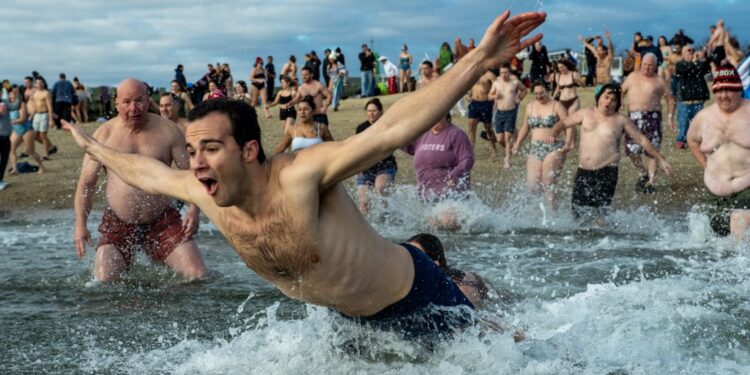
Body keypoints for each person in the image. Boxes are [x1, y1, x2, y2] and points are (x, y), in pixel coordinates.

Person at [64, 10, 545, 335]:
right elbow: (146, 173)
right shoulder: (204, 190)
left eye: (211, 148)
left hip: (416, 298)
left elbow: (392, 130)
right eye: (192, 150)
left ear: (250, 149)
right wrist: (93, 147)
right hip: (350, 320)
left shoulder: (299, 175)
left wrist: (477, 59)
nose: (196, 162)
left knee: (512, 353)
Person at [72, 79, 207, 282]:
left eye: (139, 101)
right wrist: (80, 225)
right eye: (127, 102)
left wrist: (194, 211)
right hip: (118, 222)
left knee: (198, 276)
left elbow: (192, 174)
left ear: (148, 101)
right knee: (104, 282)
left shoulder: (168, 130)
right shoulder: (104, 134)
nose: (134, 108)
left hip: (162, 220)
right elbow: (86, 184)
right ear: (117, 103)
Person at [548, 83, 673, 217]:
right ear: (599, 97)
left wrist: (661, 159)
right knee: (577, 213)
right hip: (583, 172)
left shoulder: (621, 120)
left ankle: (604, 237)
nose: (609, 102)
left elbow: (642, 139)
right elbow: (563, 123)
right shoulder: (585, 113)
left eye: (613, 99)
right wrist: (553, 134)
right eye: (606, 97)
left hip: (607, 172)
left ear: (618, 103)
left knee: (599, 214)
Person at [687, 64, 750, 239]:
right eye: (719, 91)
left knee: (739, 228)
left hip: (746, 187)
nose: (724, 96)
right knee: (710, 241)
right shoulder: (703, 117)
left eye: (729, 90)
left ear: (739, 89)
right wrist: (706, 166)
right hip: (714, 192)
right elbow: (692, 140)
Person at [512, 81, 572, 210]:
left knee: (548, 183)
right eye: (536, 94)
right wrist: (517, 143)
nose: (539, 96)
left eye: (542, 93)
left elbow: (569, 125)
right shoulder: (530, 106)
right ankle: (537, 216)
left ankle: (552, 215)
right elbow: (525, 127)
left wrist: (568, 142)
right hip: (535, 147)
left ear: (547, 91)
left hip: (554, 147)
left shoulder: (557, 106)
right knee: (533, 186)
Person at [621, 53, 675, 193]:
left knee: (653, 150)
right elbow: (620, 91)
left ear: (655, 66)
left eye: (650, 65)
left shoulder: (660, 81)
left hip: (653, 117)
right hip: (633, 117)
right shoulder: (632, 76)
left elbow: (670, 100)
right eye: (644, 64)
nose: (646, 68)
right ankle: (642, 174)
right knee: (631, 150)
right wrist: (620, 102)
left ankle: (651, 182)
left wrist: (670, 117)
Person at [403, 114, 474, 201]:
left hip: (452, 194)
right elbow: (409, 148)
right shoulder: (422, 134)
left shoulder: (456, 134)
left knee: (445, 214)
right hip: (427, 195)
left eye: (437, 113)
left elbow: (467, 159)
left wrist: (455, 173)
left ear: (445, 112)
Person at [407, 233, 490, 307]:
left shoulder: (457, 290)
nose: (408, 261)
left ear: (434, 264)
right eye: (407, 254)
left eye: (415, 257)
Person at [355, 98, 397, 214]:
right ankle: (365, 226)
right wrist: (358, 167)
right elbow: (357, 149)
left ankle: (387, 218)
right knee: (364, 202)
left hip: (384, 166)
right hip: (365, 168)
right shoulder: (361, 128)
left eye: (374, 111)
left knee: (380, 189)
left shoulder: (387, 127)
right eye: (368, 111)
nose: (371, 114)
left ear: (381, 112)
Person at [489, 64, 527, 169]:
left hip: (511, 112)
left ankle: (507, 160)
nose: (503, 75)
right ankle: (510, 149)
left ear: (509, 73)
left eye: (506, 72)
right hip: (499, 112)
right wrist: (494, 96)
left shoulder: (514, 82)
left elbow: (525, 90)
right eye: (501, 73)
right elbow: (489, 95)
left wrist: (519, 98)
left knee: (507, 137)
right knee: (500, 139)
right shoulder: (496, 83)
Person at [673, 44, 710, 149]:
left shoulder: (698, 64)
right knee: (683, 125)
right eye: (689, 50)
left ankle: (699, 141)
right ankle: (681, 141)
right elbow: (684, 71)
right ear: (683, 54)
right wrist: (694, 62)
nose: (691, 52)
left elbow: (707, 71)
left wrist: (703, 59)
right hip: (684, 101)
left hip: (698, 100)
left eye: (693, 50)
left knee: (699, 124)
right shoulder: (680, 64)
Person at [7, 87, 46, 175]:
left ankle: (42, 166)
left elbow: (22, 119)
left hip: (26, 129)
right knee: (11, 149)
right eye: (10, 93)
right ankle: (15, 169)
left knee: (31, 151)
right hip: (16, 130)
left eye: (12, 93)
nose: (10, 95)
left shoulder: (21, 104)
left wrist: (10, 121)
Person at [467, 70, 499, 158]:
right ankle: (470, 151)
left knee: (488, 128)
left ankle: (494, 148)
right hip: (474, 103)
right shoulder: (473, 72)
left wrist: (496, 102)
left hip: (486, 103)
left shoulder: (490, 75)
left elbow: (497, 89)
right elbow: (470, 85)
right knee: (471, 126)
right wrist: (469, 95)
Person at [30, 77, 57, 159]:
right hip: (36, 115)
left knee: (43, 135)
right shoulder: (34, 93)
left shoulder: (46, 93)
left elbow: (49, 106)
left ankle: (46, 154)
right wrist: (30, 117)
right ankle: (51, 147)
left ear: (43, 83)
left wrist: (51, 119)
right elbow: (34, 107)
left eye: (41, 83)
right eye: (37, 83)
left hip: (44, 115)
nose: (39, 85)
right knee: (34, 135)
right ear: (35, 84)